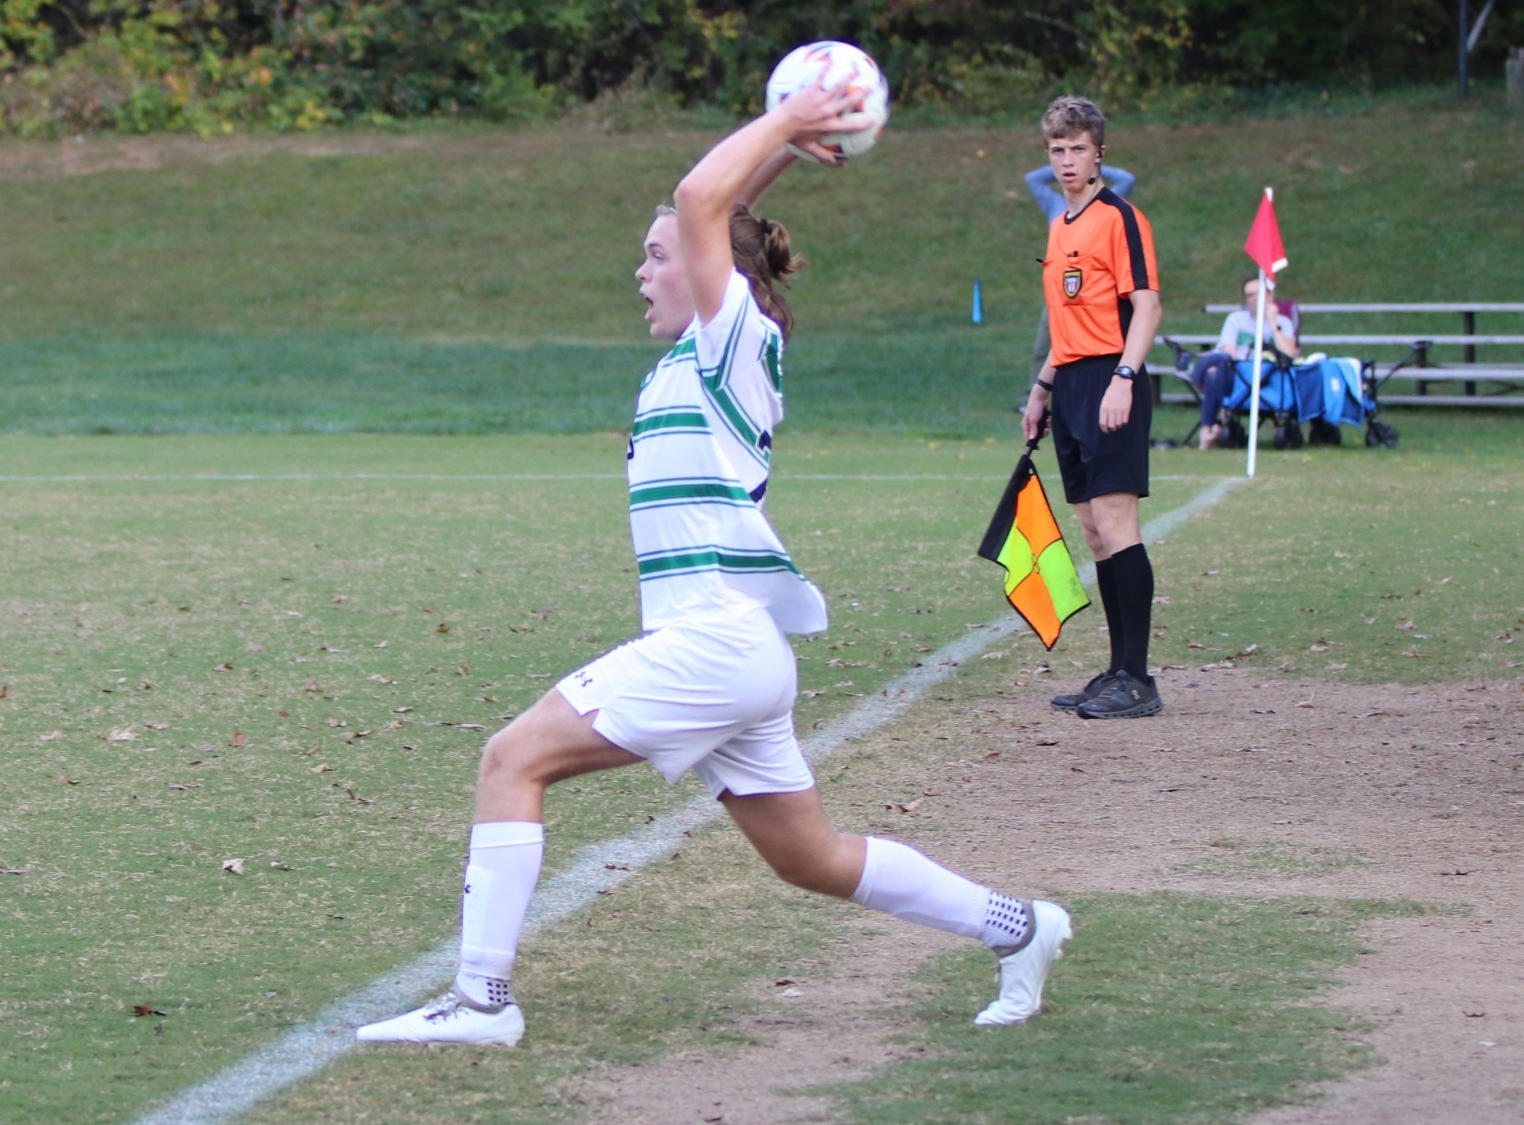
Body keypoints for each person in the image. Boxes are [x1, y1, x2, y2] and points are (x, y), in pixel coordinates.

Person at [356, 82, 1071, 1049]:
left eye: (657, 257)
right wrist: (787, 151)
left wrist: (783, 122)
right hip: (736, 649)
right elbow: (715, 213)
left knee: (509, 759)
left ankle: (482, 1000)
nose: (642, 271)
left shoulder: (733, 336)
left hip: (714, 645)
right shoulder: (700, 349)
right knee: (810, 858)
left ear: (710, 275)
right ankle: (1020, 927)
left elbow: (700, 206)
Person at [1021, 95, 1164, 720]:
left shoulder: (1120, 217)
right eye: (1058, 150)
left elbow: (1148, 305)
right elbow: (1065, 318)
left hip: (1112, 377)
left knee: (1116, 524)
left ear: (1099, 151)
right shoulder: (1060, 225)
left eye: (1079, 148)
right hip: (1073, 382)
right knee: (1092, 533)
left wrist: (1125, 377)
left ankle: (1139, 678)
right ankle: (1115, 669)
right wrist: (1043, 386)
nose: (1068, 160)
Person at [1025, 162, 1136, 383]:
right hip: (1061, 290)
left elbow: (1127, 179)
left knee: (1091, 348)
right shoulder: (1056, 205)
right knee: (1044, 346)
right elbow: (1033, 179)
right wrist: (1064, 165)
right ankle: (1033, 395)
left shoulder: (1105, 206)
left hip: (1095, 291)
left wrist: (1092, 164)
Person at [1191, 275, 1298, 449]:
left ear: (1270, 295)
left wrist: (1272, 322)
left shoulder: (1283, 323)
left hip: (1271, 380)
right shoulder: (1236, 320)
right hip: (1238, 376)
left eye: (1259, 293)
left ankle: (1211, 428)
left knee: (1213, 371)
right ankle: (1208, 430)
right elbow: (1228, 352)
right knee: (1215, 371)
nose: (1254, 298)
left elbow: (1289, 355)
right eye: (1250, 295)